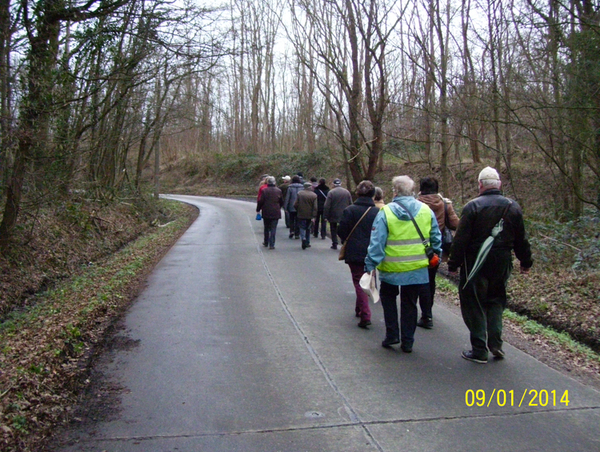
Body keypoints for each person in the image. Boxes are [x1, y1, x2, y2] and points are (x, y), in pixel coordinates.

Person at [448, 167, 533, 363]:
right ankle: (496, 344)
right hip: (502, 261)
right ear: (499, 184)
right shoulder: (513, 207)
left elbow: (461, 240)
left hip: (475, 262)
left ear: (480, 185)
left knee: (473, 302)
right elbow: (521, 239)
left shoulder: (472, 207)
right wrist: (525, 261)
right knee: (496, 300)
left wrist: (454, 263)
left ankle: (479, 349)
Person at [365, 175, 442, 353]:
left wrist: (370, 265)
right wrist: (435, 256)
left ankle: (392, 334)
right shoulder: (425, 210)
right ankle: (408, 341)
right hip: (416, 268)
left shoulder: (386, 212)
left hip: (390, 267)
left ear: (394, 191)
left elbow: (377, 243)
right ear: (413, 191)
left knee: (389, 299)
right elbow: (436, 239)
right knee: (410, 303)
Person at [415, 176, 460, 329]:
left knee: (414, 280)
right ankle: (427, 314)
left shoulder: (414, 204)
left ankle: (413, 311)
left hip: (414, 247)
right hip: (435, 249)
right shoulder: (445, 205)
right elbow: (456, 225)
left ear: (421, 189)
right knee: (430, 281)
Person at [338, 180, 379, 328]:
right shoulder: (377, 212)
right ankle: (359, 308)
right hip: (373, 250)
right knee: (367, 278)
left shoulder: (350, 210)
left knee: (358, 281)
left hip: (354, 251)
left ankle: (365, 314)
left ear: (357, 193)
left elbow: (341, 230)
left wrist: (347, 239)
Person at [324, 178, 352, 250]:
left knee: (333, 228)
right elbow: (350, 203)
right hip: (344, 214)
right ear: (341, 184)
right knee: (343, 228)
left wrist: (325, 215)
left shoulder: (331, 192)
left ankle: (335, 243)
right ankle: (343, 241)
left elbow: (327, 205)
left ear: (333, 184)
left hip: (333, 214)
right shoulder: (347, 192)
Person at [256, 176, 283, 250]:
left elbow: (260, 201)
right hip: (276, 211)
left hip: (266, 211)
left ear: (268, 183)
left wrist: (258, 209)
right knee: (273, 228)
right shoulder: (279, 191)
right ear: (275, 183)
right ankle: (272, 244)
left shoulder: (264, 191)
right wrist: (278, 207)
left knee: (266, 227)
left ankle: (266, 241)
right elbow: (281, 202)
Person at [294, 182, 318, 249]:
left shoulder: (300, 194)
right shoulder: (314, 195)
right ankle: (307, 242)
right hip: (310, 214)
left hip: (301, 213)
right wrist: (314, 216)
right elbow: (315, 207)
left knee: (302, 227)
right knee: (308, 228)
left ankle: (303, 238)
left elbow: (295, 204)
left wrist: (297, 210)